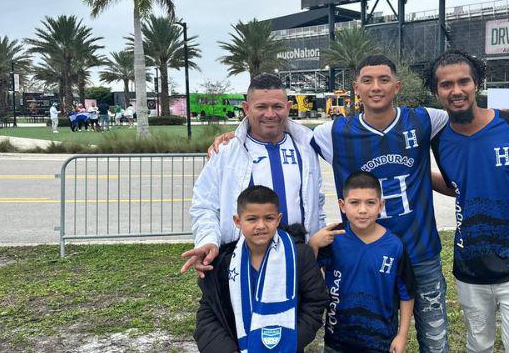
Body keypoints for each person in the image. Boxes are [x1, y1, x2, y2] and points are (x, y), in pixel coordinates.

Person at [210, 56, 452, 353]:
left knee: (435, 338)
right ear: (356, 87)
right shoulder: (333, 133)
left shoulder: (426, 118)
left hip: (420, 250)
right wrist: (238, 134)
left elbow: (467, 115)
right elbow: (281, 127)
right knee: (369, 333)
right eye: (367, 80)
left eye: (384, 80)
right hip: (362, 256)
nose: (376, 87)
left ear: (397, 86)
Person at [427, 51, 509, 353]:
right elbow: (459, 186)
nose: (456, 90)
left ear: (477, 84)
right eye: (446, 84)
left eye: (463, 81)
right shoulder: (439, 141)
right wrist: (419, 174)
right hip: (470, 265)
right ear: (437, 91)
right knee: (478, 346)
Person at [183, 74, 326, 278]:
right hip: (242, 263)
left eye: (277, 106)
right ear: (246, 108)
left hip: (298, 260)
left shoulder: (306, 148)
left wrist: (319, 248)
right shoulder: (226, 152)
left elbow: (316, 204)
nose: (270, 114)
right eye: (261, 107)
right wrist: (208, 240)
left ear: (288, 106)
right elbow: (204, 205)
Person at [193, 185, 328, 353]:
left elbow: (315, 303)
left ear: (278, 219)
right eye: (252, 219)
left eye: (269, 218)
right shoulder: (223, 263)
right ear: (237, 221)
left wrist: (289, 342)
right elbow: (209, 313)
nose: (261, 225)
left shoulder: (299, 255)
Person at [309, 172, 416, 353]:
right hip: (337, 341)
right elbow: (307, 275)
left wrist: (402, 335)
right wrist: (313, 245)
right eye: (355, 202)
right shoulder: (332, 239)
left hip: (380, 343)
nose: (363, 210)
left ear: (381, 205)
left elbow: (407, 293)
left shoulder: (394, 246)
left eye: (370, 203)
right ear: (342, 205)